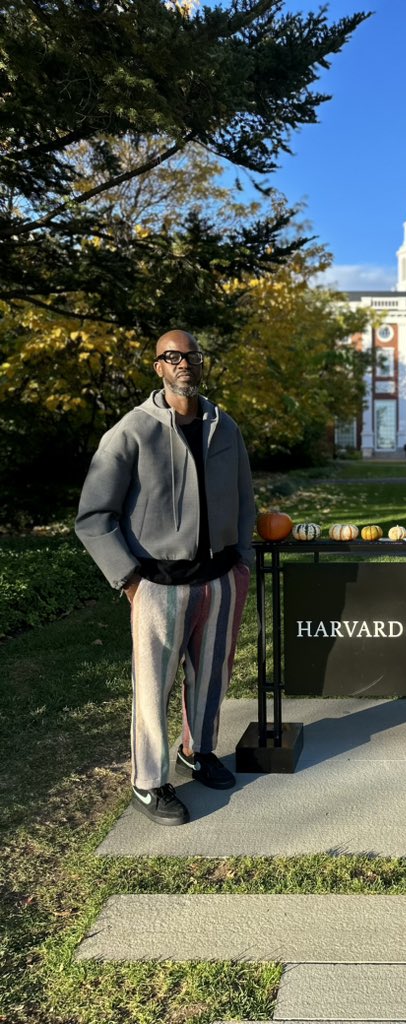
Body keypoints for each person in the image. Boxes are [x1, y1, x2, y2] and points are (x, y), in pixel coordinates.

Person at [75, 330, 255, 826]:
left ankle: (197, 752)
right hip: (157, 584)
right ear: (158, 367)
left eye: (192, 356)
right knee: (153, 686)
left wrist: (242, 563)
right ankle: (149, 782)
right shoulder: (131, 431)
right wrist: (130, 579)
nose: (184, 364)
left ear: (202, 363)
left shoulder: (225, 426)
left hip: (219, 580)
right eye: (172, 357)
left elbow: (244, 500)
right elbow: (93, 516)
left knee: (211, 677)